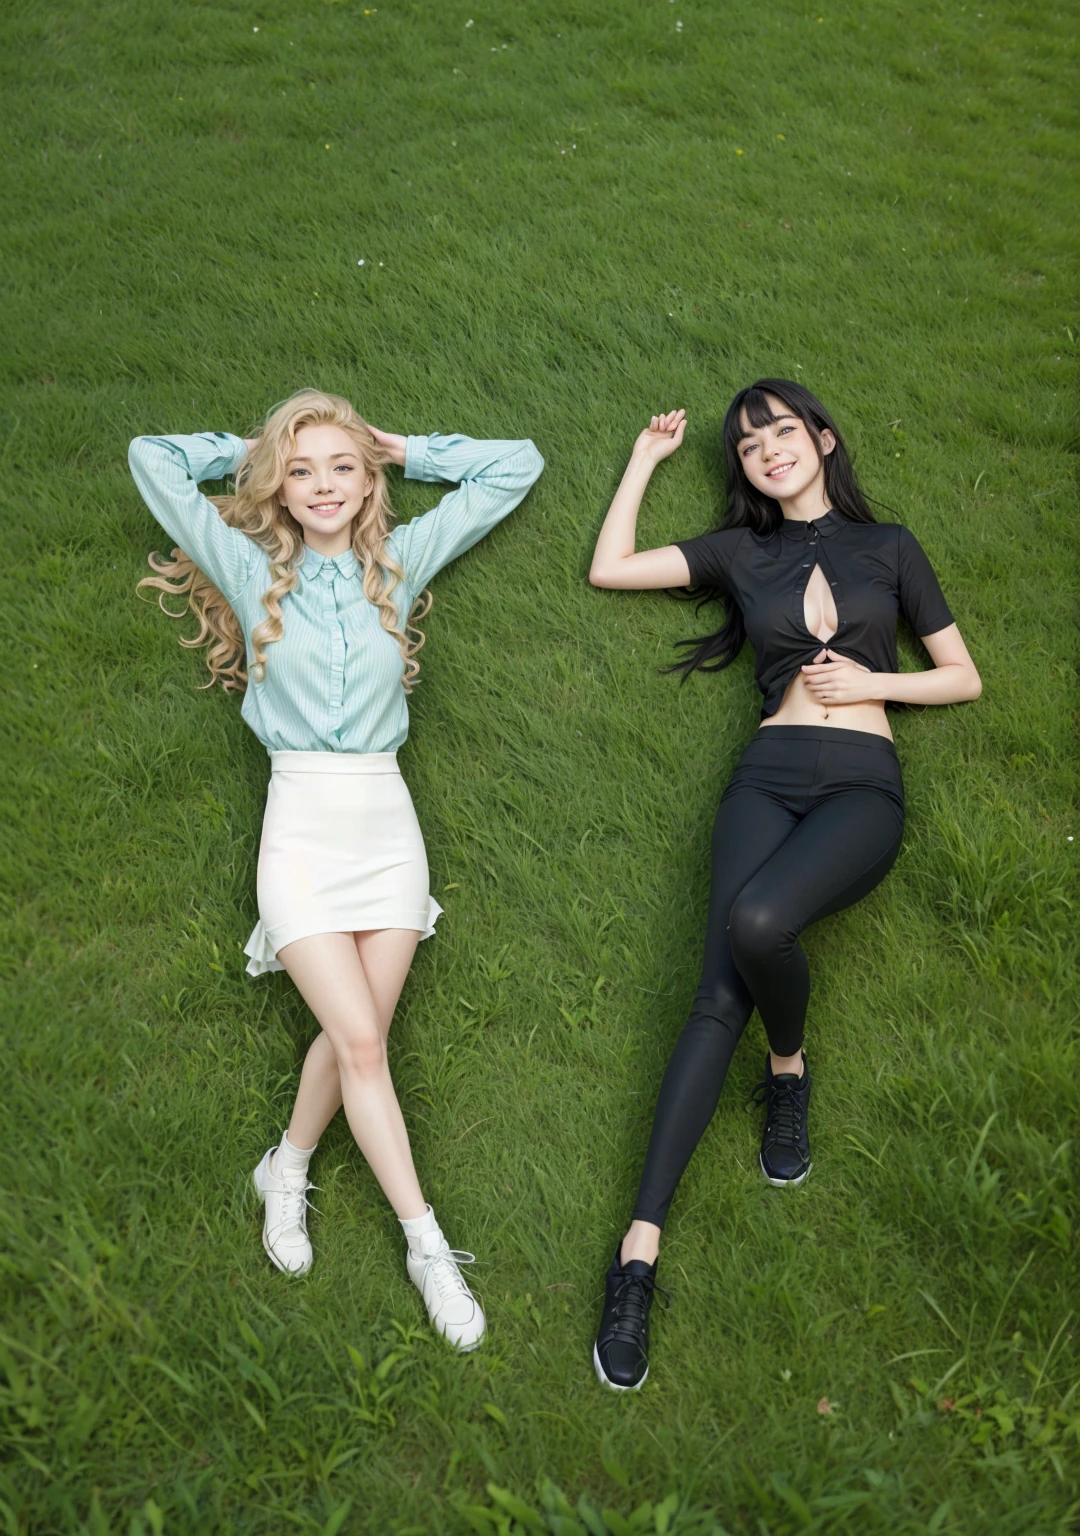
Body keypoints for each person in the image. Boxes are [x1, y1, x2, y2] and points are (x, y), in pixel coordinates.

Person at [129, 390, 543, 1351]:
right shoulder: (246, 566)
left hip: (389, 831)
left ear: (367, 485)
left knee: (359, 1034)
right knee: (362, 1042)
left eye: (342, 469)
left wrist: (404, 446)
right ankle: (427, 1245)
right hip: (302, 834)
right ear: (281, 482)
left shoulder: (398, 564)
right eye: (303, 470)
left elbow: (515, 461)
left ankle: (288, 1164)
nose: (322, 487)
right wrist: (255, 444)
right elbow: (151, 456)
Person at [587, 380, 980, 1391]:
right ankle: (638, 1254)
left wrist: (874, 684)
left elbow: (962, 676)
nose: (767, 448)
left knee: (759, 923)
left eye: (783, 431)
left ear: (823, 440)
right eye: (750, 443)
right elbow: (611, 569)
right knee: (716, 991)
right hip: (764, 776)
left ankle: (790, 1064)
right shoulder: (739, 552)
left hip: (860, 785)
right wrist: (644, 459)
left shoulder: (888, 545)